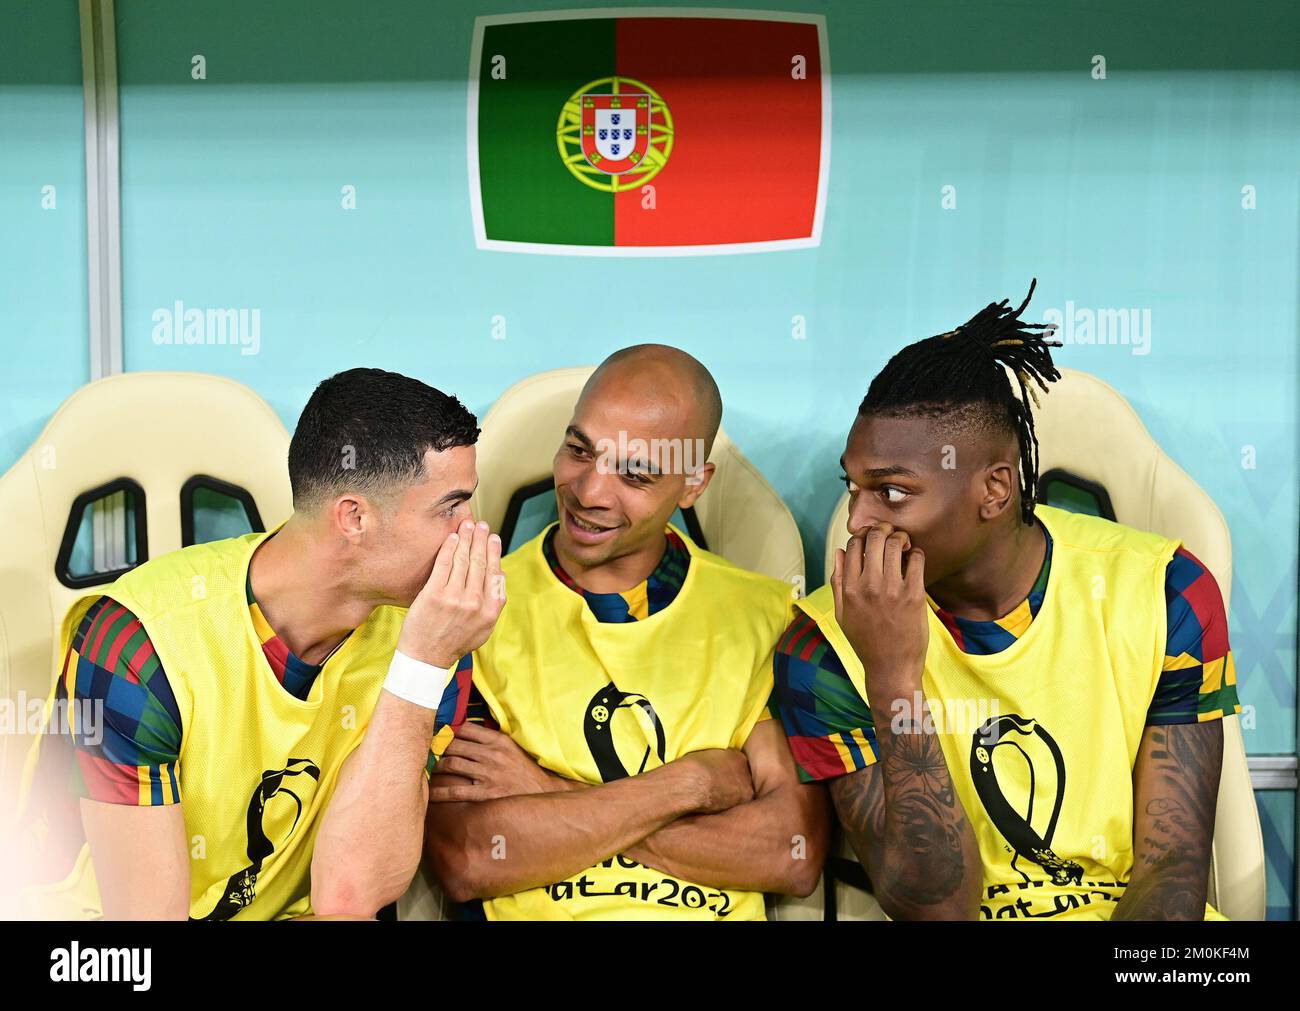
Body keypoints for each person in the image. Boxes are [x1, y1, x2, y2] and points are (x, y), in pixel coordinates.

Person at [770, 283, 1239, 920]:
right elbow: (936, 907)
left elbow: (1172, 871)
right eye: (852, 486)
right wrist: (892, 678)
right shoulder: (820, 645)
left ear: (994, 489)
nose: (857, 520)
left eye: (893, 492)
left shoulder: (1165, 592)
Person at [18, 368, 505, 920]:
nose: (475, 534)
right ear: (354, 518)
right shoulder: (134, 644)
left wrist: (421, 665)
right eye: (451, 507)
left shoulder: (436, 637)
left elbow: (349, 897)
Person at [421, 344, 829, 919]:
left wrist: (547, 792)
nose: (589, 493)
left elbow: (790, 856)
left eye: (635, 474)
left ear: (693, 483)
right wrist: (691, 786)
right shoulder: (470, 611)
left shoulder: (766, 619)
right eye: (578, 450)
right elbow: (469, 857)